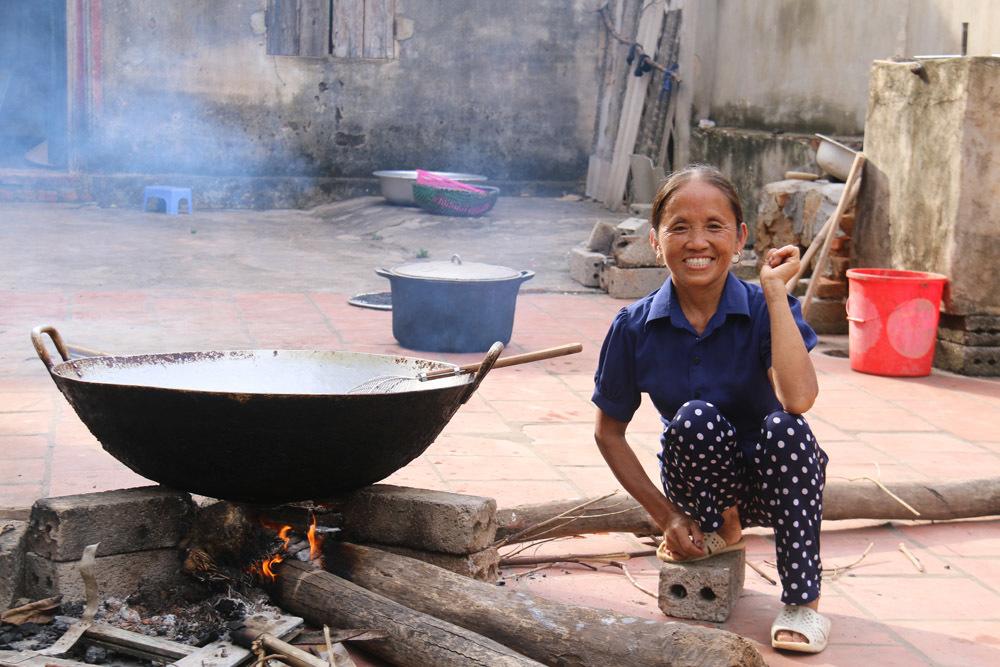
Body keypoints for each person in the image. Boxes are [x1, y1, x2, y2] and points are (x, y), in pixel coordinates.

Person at [592, 165, 830, 653]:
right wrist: (667, 517)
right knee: (694, 416)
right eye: (679, 227)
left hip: (772, 483)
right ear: (656, 242)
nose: (697, 241)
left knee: (787, 429)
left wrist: (775, 293)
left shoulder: (766, 306)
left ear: (739, 237)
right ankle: (723, 525)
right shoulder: (633, 327)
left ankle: (803, 602)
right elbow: (608, 433)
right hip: (699, 487)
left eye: (714, 226)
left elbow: (799, 399)